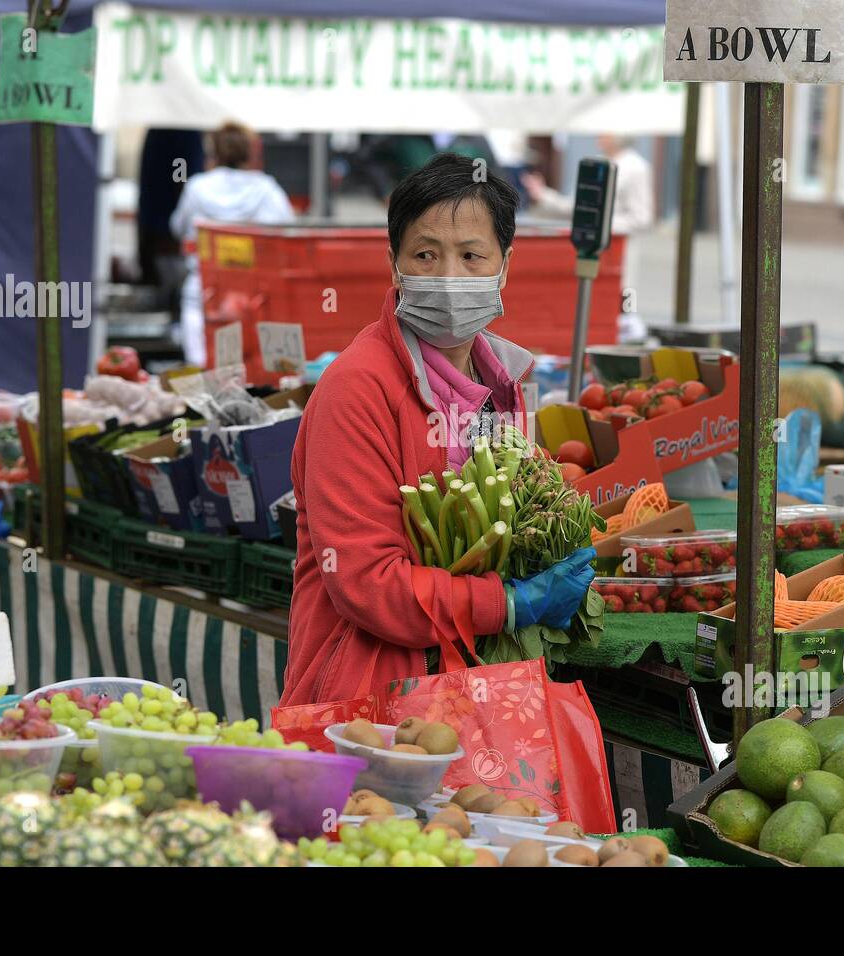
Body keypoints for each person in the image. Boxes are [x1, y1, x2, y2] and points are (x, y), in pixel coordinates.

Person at [281, 153, 596, 706]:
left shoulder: (501, 380)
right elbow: (366, 583)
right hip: (371, 696)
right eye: (425, 254)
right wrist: (511, 604)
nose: (449, 275)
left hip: (472, 686)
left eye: (472, 255)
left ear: (504, 264)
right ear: (395, 263)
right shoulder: (356, 389)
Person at [169, 123, 295, 366]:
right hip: (254, 300)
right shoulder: (267, 189)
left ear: (213, 151)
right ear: (251, 152)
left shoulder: (196, 187)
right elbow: (287, 232)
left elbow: (177, 228)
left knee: (202, 375)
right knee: (253, 377)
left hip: (204, 294)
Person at [522, 135, 656, 340]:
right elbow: (576, 206)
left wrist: (598, 224)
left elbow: (641, 218)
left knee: (623, 299)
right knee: (590, 302)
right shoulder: (598, 162)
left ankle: (624, 338)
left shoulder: (636, 167)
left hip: (619, 250)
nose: (599, 135)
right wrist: (544, 195)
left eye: (605, 131)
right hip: (589, 248)